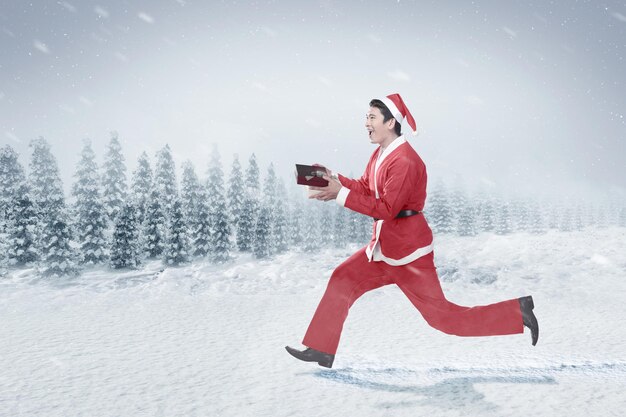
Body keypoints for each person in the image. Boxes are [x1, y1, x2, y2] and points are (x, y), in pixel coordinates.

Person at [285, 93, 539, 369]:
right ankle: (321, 349)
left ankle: (518, 312)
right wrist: (334, 179)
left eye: (371, 118)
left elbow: (386, 209)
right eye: (366, 118)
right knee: (343, 277)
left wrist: (339, 195)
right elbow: (366, 186)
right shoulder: (381, 153)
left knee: (444, 319)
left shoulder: (405, 161)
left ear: (391, 122)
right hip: (384, 249)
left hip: (409, 255)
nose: (366, 123)